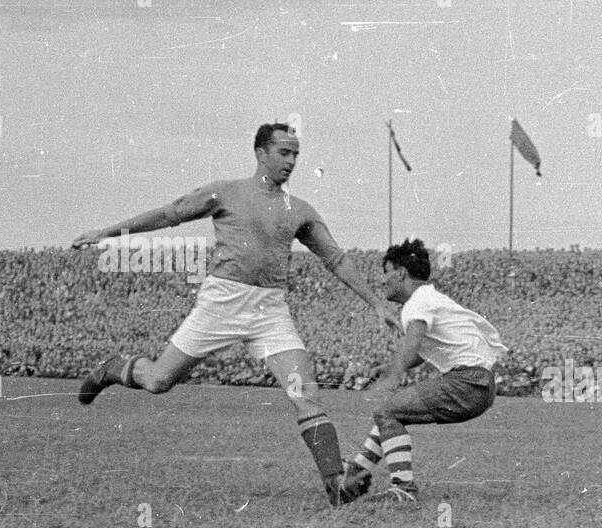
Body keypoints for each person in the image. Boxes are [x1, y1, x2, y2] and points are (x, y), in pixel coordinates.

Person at [70, 122, 398, 505]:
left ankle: (336, 486)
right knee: (159, 381)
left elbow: (335, 259)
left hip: (269, 310)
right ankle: (113, 367)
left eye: (295, 154)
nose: (291, 161)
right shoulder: (225, 192)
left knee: (304, 392)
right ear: (260, 153)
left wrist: (375, 303)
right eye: (283, 153)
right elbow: (168, 214)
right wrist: (108, 233)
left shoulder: (300, 210)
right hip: (222, 302)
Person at [339, 239, 506, 504]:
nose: (383, 280)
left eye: (386, 272)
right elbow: (420, 351)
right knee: (392, 412)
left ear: (401, 273)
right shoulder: (429, 298)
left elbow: (412, 340)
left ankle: (402, 489)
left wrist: (393, 376)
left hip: (467, 382)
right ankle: (358, 473)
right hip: (479, 384)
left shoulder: (416, 303)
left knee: (387, 411)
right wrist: (388, 368)